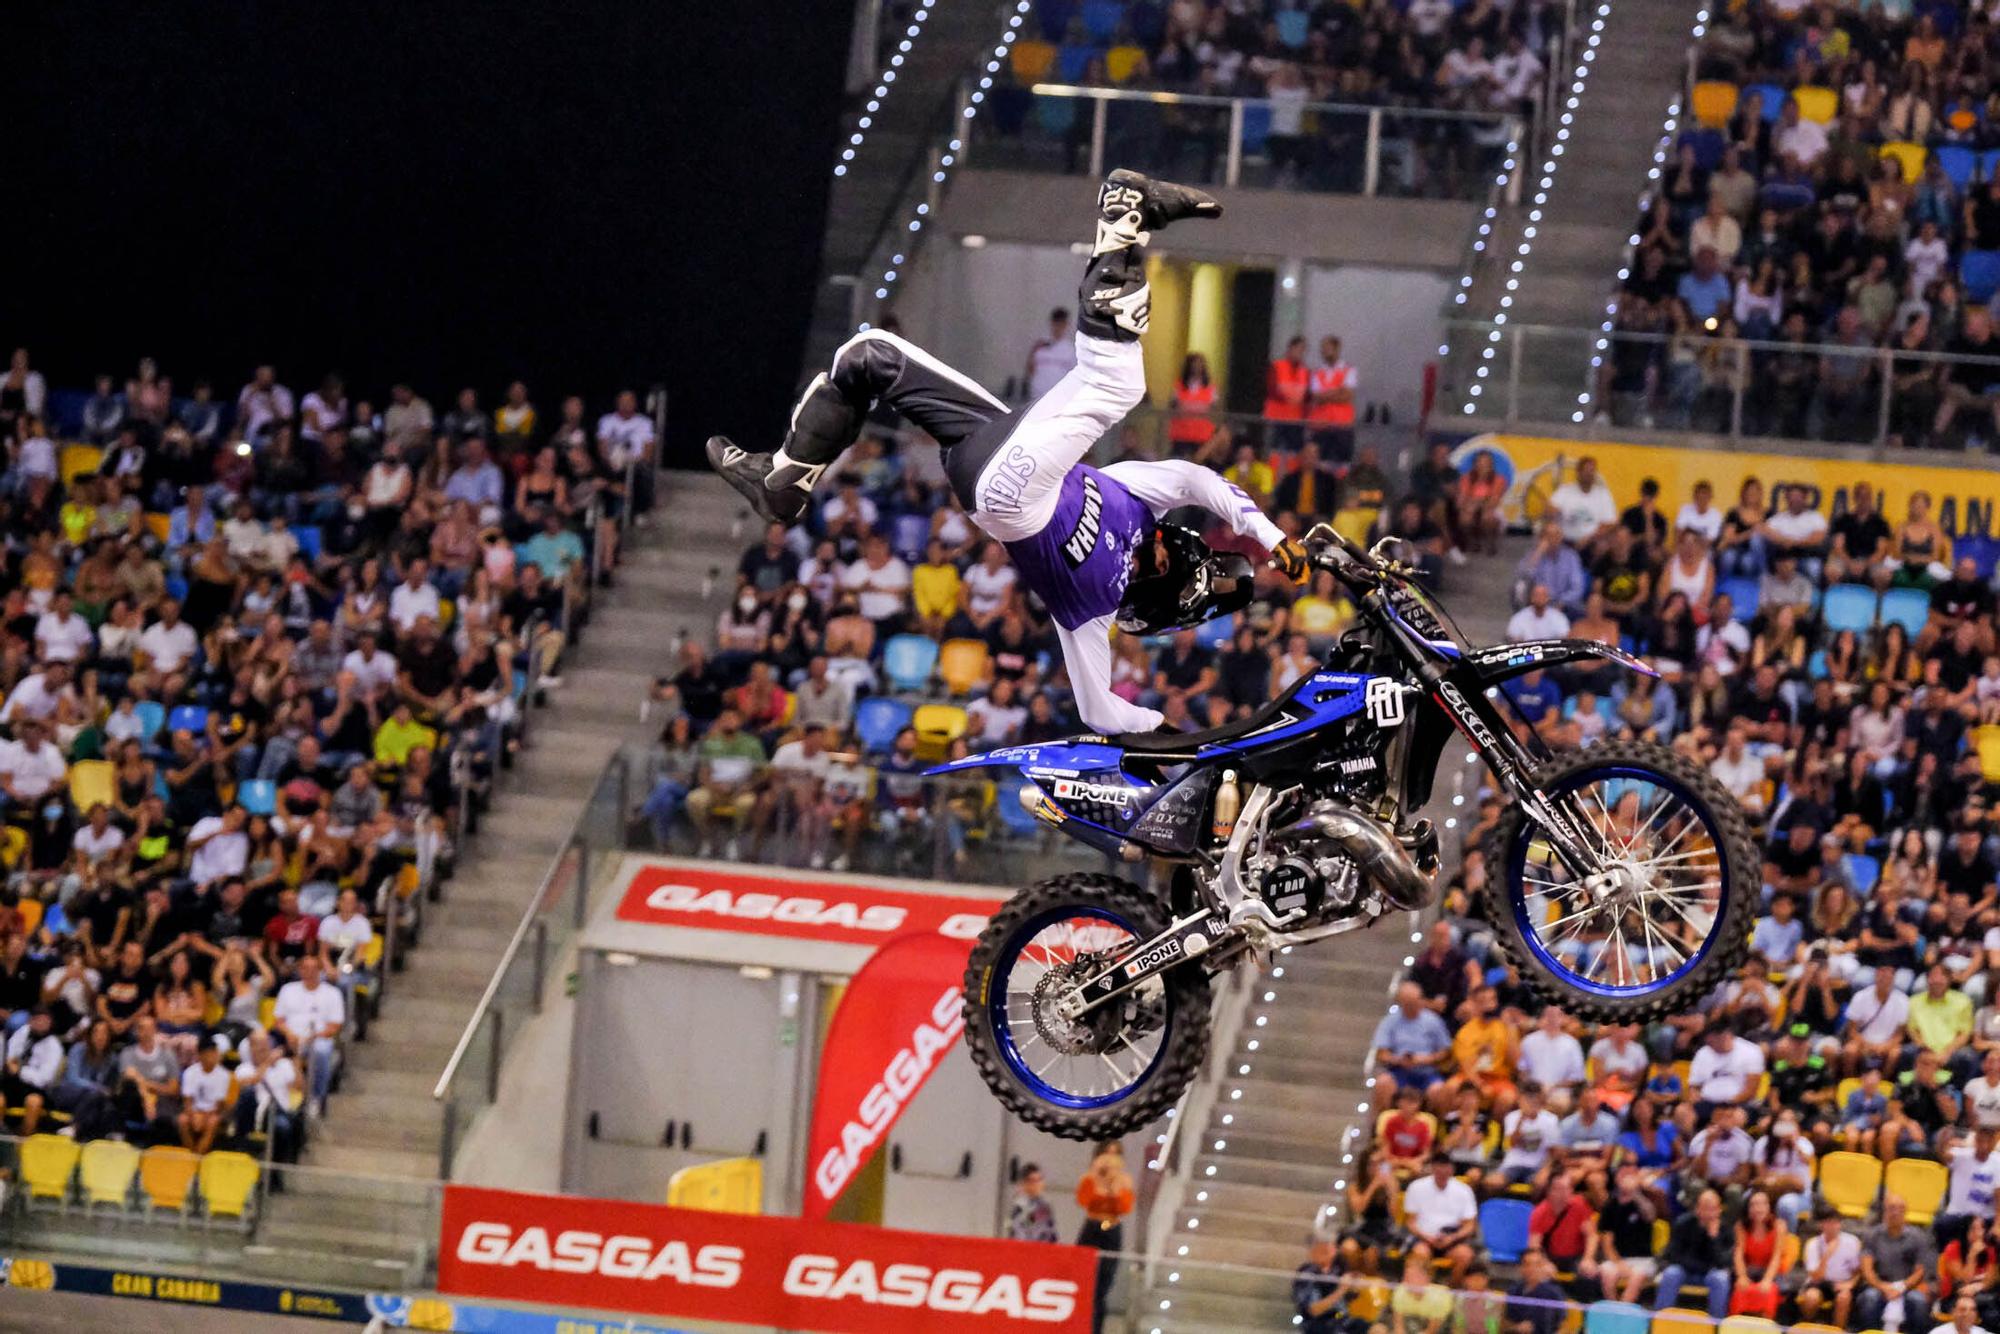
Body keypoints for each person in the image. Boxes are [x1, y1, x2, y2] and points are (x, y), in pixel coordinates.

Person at [708, 170, 1308, 735]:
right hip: (996, 452)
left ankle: (1125, 217)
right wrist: (1267, 534)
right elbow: (1193, 479)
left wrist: (1175, 735)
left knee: (1119, 384)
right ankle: (784, 483)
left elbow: (1101, 713)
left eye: (1189, 558)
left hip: (1009, 493)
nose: (1184, 546)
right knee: (869, 356)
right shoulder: (1136, 508)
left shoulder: (1093, 613)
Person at [1074, 1141, 1133, 1334]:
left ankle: (1095, 1329)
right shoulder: (1089, 1179)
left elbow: (1124, 1208)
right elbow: (1084, 1201)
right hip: (1092, 1227)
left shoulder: (1124, 1181)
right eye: (1106, 1153)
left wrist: (1114, 1188)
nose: (1110, 1159)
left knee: (1101, 1287)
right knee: (1082, 1281)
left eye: (1115, 1154)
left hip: (1111, 1230)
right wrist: (1098, 1180)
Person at [1857, 1194, 1936, 1332]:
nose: (1896, 1212)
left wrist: (1901, 1287)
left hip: (1908, 1287)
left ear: (1906, 1213)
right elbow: (1867, 1270)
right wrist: (1883, 1287)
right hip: (1879, 1285)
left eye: (1900, 1209)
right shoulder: (1872, 1235)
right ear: (1884, 1211)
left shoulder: (1918, 1237)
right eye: (1891, 1208)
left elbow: (1920, 1271)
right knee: (1870, 1298)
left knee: (1918, 1301)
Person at [1401, 1153, 1479, 1283]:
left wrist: (1452, 1238)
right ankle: (1418, 1290)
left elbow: (1470, 1225)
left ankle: (1453, 1289)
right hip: (1423, 1238)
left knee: (1465, 1255)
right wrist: (1427, 1237)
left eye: (1446, 1168)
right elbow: (1410, 1222)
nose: (1442, 1173)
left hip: (1452, 1239)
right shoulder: (1416, 1187)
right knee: (1420, 1253)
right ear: (1433, 1168)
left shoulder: (1464, 1190)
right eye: (1439, 1168)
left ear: (1452, 1170)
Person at [1655, 1188, 1732, 1318]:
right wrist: (1700, 1267)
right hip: (1686, 1271)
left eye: (1714, 1209)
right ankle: (1659, 1320)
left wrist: (1714, 1238)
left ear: (1720, 1210)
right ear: (1697, 1209)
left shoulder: (1725, 1229)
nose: (1710, 1213)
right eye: (1706, 1208)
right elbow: (1674, 1255)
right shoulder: (1683, 1223)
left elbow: (1723, 1263)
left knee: (1721, 1278)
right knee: (1670, 1273)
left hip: (1710, 1274)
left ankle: (1716, 1325)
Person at [1006, 1163, 1060, 1243]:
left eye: (1040, 1180)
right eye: (1033, 1181)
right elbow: (1017, 1232)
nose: (1038, 1184)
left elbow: (1051, 1231)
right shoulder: (1019, 1207)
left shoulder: (1045, 1205)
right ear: (1025, 1184)